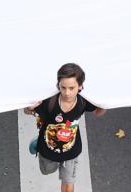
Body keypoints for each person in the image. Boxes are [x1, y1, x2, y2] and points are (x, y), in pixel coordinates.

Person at [23, 62, 104, 191]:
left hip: (71, 151)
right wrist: (29, 107)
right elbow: (27, 111)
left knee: (68, 184)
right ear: (58, 86)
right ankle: (38, 140)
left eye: (72, 88)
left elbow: (97, 112)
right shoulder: (50, 102)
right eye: (63, 87)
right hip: (48, 149)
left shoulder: (82, 102)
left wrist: (105, 105)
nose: (67, 93)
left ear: (80, 87)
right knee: (47, 171)